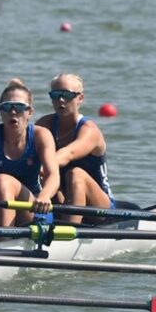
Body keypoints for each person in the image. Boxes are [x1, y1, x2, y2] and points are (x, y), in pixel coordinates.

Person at [0, 79, 60, 227]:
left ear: (30, 112)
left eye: (19, 107)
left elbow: (53, 175)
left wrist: (45, 196)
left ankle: (1, 240)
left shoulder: (41, 135)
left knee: (2, 180)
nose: (12, 112)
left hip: (33, 208)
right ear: (1, 111)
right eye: (6, 107)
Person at [35, 73, 115, 223]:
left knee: (75, 174)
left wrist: (41, 166)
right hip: (65, 199)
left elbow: (68, 154)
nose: (61, 100)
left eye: (67, 95)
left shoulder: (89, 130)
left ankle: (69, 231)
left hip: (100, 208)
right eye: (56, 95)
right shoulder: (45, 124)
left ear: (80, 98)